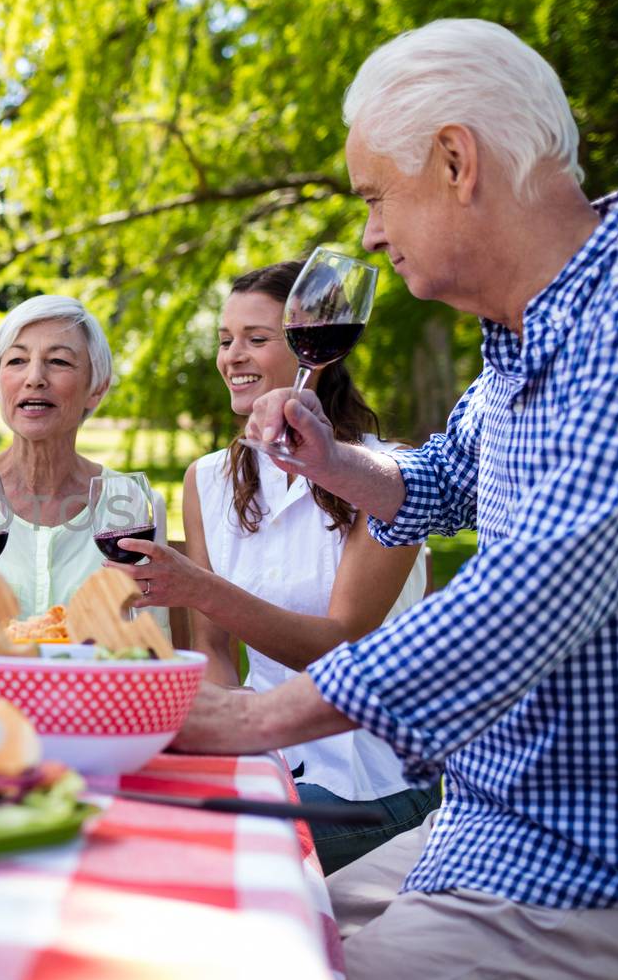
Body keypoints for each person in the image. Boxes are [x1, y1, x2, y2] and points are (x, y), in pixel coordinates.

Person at [172, 19, 618, 980]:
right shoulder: (525, 335)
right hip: (497, 826)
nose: (368, 232)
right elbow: (440, 479)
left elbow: (536, 585)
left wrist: (253, 721)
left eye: (375, 194)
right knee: (213, 930)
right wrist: (330, 460)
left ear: (456, 160)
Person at [114, 261, 433, 873]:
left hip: (370, 779)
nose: (233, 356)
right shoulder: (206, 479)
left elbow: (342, 649)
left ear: (316, 351)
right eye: (225, 339)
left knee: (199, 857)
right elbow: (212, 649)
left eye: (256, 339)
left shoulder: (390, 478)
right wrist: (228, 756)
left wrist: (201, 589)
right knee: (124, 818)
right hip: (263, 764)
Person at [0, 296, 170, 632]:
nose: (34, 377)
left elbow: (151, 646)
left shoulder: (136, 504)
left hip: (94, 685)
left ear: (96, 389)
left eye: (59, 362)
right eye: (17, 360)